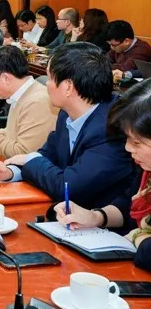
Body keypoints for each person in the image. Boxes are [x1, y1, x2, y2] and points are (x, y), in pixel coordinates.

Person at [0, 43, 136, 210]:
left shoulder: (111, 128)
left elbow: (67, 188)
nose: (46, 84)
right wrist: (12, 172)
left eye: (49, 78)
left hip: (98, 218)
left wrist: (29, 160)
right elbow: (48, 154)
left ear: (68, 87)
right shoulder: (65, 114)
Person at [52, 80, 151, 271]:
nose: (127, 148)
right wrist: (94, 217)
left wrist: (138, 236)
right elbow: (127, 206)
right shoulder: (146, 171)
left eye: (137, 142)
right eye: (127, 139)